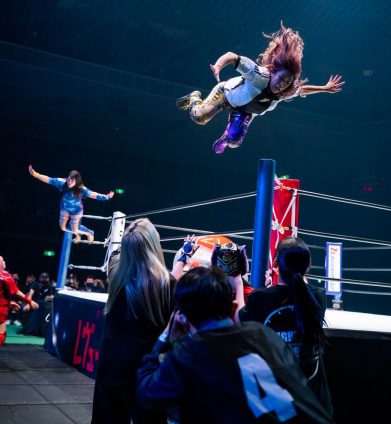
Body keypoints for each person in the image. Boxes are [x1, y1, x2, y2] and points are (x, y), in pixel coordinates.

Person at [136, 266, 333, 424]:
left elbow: (147, 393)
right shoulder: (262, 334)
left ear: (183, 318)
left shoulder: (188, 355)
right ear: (231, 306)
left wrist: (165, 337)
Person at [176, 23, 344, 153]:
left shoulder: (285, 92)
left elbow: (302, 90)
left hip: (244, 112)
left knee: (235, 142)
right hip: (226, 95)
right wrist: (218, 66)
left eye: (287, 83)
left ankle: (227, 137)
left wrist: (324, 88)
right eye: (281, 79)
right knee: (200, 117)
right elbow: (232, 56)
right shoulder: (258, 75)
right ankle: (194, 98)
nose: (282, 84)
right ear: (274, 72)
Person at [92, 219, 193, 424]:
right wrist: (182, 259)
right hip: (143, 371)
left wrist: (182, 259)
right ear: (154, 246)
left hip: (111, 366)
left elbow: (157, 279)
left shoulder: (116, 274)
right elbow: (164, 283)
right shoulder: (164, 285)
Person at [238, 237, 332, 415]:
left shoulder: (261, 298)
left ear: (275, 265)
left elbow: (240, 319)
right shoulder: (318, 297)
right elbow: (300, 291)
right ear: (308, 266)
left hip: (277, 403)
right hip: (313, 403)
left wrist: (237, 281)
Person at [28, 166, 114, 243]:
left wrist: (106, 197)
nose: (69, 182)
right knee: (63, 227)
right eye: (69, 179)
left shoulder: (81, 189)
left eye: (72, 181)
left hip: (76, 210)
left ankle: (88, 232)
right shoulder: (62, 182)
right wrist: (35, 174)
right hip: (65, 208)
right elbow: (48, 179)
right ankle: (80, 234)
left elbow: (94, 195)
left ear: (77, 181)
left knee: (75, 228)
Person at [0, 255, 39, 348]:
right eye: (3, 260)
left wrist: (9, 303)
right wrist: (29, 301)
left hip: (3, 306)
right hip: (1, 310)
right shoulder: (6, 277)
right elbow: (17, 292)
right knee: (1, 334)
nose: (4, 262)